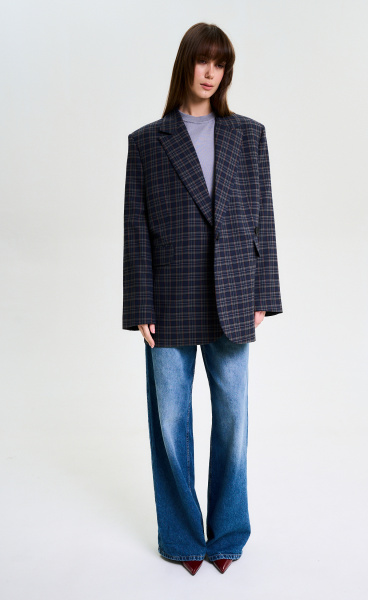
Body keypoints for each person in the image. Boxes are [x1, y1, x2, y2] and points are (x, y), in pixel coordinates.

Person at [122, 22, 282, 576]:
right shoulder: (147, 142)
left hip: (235, 294)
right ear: (185, 63)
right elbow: (136, 230)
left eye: (221, 64)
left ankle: (229, 531)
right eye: (203, 61)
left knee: (234, 419)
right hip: (169, 298)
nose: (211, 73)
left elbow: (263, 217)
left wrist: (264, 292)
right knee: (171, 422)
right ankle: (183, 537)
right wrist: (140, 304)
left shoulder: (249, 135)